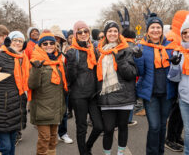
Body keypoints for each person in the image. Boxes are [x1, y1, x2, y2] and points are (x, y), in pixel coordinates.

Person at [134, 13, 177, 155]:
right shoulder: (142, 46)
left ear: (162, 30)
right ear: (147, 30)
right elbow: (139, 72)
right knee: (154, 126)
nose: (155, 30)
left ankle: (160, 152)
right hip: (150, 93)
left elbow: (176, 71)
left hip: (167, 92)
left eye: (158, 27)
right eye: (152, 27)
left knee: (162, 126)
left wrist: (176, 63)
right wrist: (138, 58)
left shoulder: (170, 46)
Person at [97, 20, 137, 155]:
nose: (113, 33)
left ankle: (120, 153)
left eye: (115, 31)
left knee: (122, 127)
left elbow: (131, 74)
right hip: (106, 96)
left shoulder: (126, 50)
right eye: (110, 31)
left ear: (118, 34)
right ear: (105, 34)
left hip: (124, 96)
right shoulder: (100, 52)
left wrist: (120, 60)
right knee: (108, 129)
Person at [65, 21, 103, 155]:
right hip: (78, 95)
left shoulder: (93, 49)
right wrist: (71, 64)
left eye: (85, 31)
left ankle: (87, 147)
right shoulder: (72, 52)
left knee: (99, 126)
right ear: (75, 34)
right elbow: (70, 77)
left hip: (93, 95)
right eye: (79, 32)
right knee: (81, 128)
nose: (83, 34)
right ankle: (83, 153)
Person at [28, 32, 67, 155]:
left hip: (56, 107)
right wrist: (36, 68)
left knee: (53, 138)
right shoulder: (36, 60)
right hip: (42, 109)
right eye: (45, 43)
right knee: (44, 138)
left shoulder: (58, 60)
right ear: (40, 45)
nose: (49, 45)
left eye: (51, 43)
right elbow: (32, 85)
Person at [167, 12, 189, 155]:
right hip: (185, 99)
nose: (188, 34)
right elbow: (174, 79)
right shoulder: (177, 53)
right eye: (184, 32)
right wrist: (174, 66)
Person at [0, 31, 28, 155]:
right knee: (5, 147)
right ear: (9, 41)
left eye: (20, 41)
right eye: (15, 40)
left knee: (11, 148)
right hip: (2, 108)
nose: (17, 43)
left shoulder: (23, 59)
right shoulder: (1, 56)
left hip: (17, 107)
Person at [50, 25, 73, 144]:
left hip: (64, 86)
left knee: (63, 111)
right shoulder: (45, 51)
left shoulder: (67, 50)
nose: (55, 41)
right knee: (52, 112)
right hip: (51, 87)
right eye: (53, 38)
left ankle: (63, 133)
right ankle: (53, 135)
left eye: (58, 38)